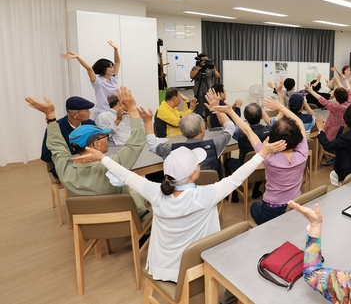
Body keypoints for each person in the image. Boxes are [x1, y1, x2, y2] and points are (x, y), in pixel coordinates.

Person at [71, 123, 286, 284]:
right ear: (194, 173)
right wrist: (263, 154)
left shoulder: (155, 191)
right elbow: (236, 178)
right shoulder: (205, 195)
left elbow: (127, 176)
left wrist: (102, 158)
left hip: (162, 269)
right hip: (196, 269)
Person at [27, 87, 149, 216]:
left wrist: (50, 117)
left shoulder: (65, 169)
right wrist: (132, 109)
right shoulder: (112, 167)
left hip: (90, 224)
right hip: (125, 222)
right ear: (96, 144)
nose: (107, 139)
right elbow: (135, 143)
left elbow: (57, 147)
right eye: (104, 137)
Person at [214, 98, 308, 225]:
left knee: (254, 207)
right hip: (295, 205)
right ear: (297, 137)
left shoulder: (268, 156)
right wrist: (280, 106)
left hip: (272, 210)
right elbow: (299, 123)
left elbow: (248, 131)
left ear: (273, 137)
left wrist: (231, 111)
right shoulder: (303, 153)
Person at [145, 90, 235, 180]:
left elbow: (152, 145)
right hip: (212, 190)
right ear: (202, 129)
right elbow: (231, 128)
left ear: (182, 131)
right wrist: (217, 108)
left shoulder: (172, 149)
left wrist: (147, 122)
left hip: (185, 192)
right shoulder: (214, 145)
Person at [224, 102, 272, 202]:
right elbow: (271, 123)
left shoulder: (240, 132)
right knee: (259, 159)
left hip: (244, 167)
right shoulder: (269, 130)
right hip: (263, 168)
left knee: (227, 161)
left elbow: (229, 126)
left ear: (245, 117)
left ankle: (234, 194)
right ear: (261, 116)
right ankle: (255, 190)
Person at [61, 40, 120, 116]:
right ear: (103, 68)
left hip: (116, 111)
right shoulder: (98, 81)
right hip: (103, 112)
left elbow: (117, 62)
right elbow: (89, 69)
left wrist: (116, 49)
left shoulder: (113, 78)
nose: (113, 69)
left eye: (113, 67)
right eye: (110, 67)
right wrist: (77, 57)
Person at [305, 77, 351, 165]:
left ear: (335, 97)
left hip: (331, 131)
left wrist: (311, 91)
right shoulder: (350, 103)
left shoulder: (335, 106)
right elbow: (349, 91)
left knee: (320, 134)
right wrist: (343, 82)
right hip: (343, 131)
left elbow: (322, 100)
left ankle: (327, 157)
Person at [40, 96, 96, 167]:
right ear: (75, 115)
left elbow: (97, 145)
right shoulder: (55, 128)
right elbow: (46, 155)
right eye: (86, 110)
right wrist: (77, 151)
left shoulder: (90, 124)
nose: (89, 112)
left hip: (91, 163)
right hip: (67, 166)